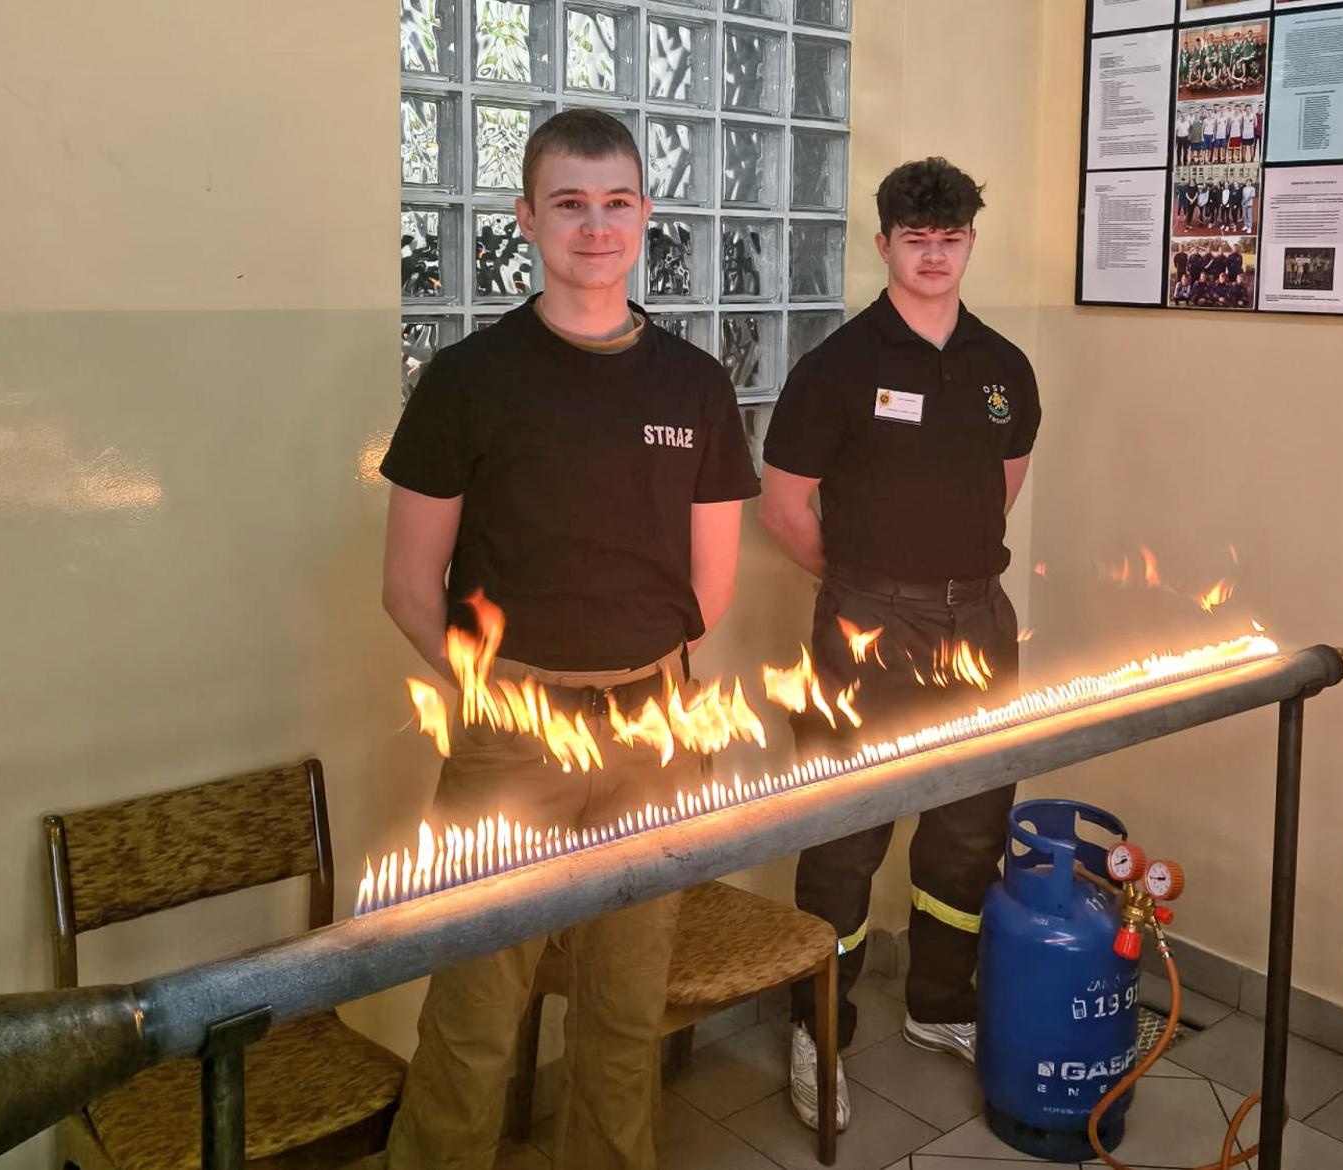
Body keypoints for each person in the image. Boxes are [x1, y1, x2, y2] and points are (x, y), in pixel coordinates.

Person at [378, 108, 759, 1170]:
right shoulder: (469, 379)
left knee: (624, 1017)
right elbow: (410, 586)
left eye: (617, 203)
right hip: (513, 743)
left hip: (652, 733)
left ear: (646, 215)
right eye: (570, 205)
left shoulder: (694, 384)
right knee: (471, 1024)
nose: (596, 226)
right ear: (528, 220)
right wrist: (499, 699)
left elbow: (709, 587)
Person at [758, 157, 1040, 1132]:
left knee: (969, 822)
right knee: (843, 833)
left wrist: (947, 577)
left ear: (969, 241)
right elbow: (785, 508)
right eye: (915, 239)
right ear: (882, 244)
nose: (933, 254)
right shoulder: (835, 368)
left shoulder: (1002, 366)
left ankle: (938, 1004)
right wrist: (865, 582)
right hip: (865, 625)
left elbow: (1002, 481)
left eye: (950, 238)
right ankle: (818, 1030)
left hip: (979, 620)